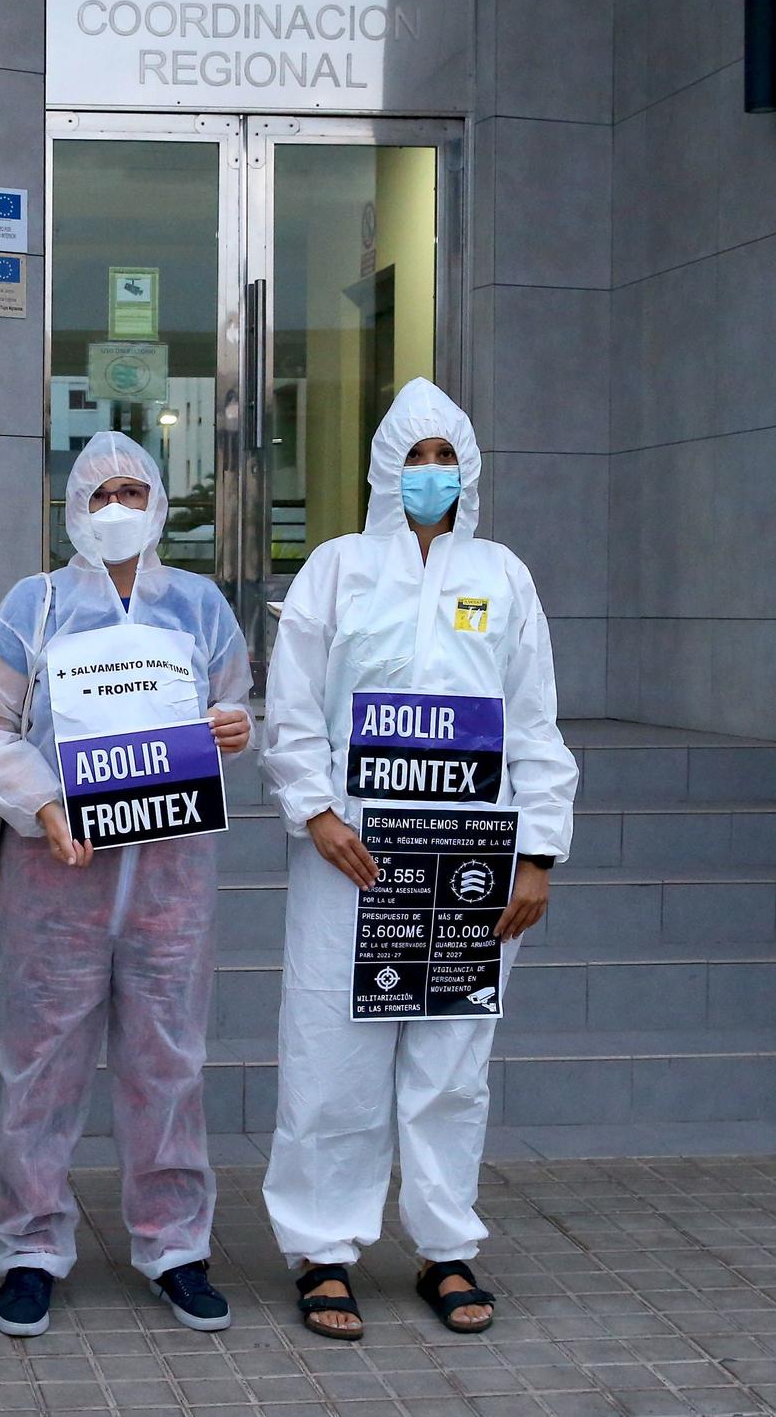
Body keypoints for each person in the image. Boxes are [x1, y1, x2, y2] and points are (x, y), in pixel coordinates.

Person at [259, 377, 576, 1340]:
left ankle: (445, 1247)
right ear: (384, 469)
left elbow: (534, 723)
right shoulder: (337, 569)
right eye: (416, 457)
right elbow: (295, 703)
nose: (431, 474)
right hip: (350, 855)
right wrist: (315, 811)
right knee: (332, 1054)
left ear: (469, 470)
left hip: (468, 861)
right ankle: (324, 1249)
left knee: (450, 1059)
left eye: (447, 458)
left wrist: (537, 855)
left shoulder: (504, 577)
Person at [0, 432, 253, 1339]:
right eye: (101, 495)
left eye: (135, 491)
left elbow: (241, 709)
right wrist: (42, 804)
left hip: (171, 878)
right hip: (59, 871)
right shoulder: (34, 606)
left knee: (170, 1058)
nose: (118, 509)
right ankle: (30, 1248)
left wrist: (234, 727)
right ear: (74, 511)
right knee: (43, 1062)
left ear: (160, 504)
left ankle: (175, 1246)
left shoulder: (202, 608)